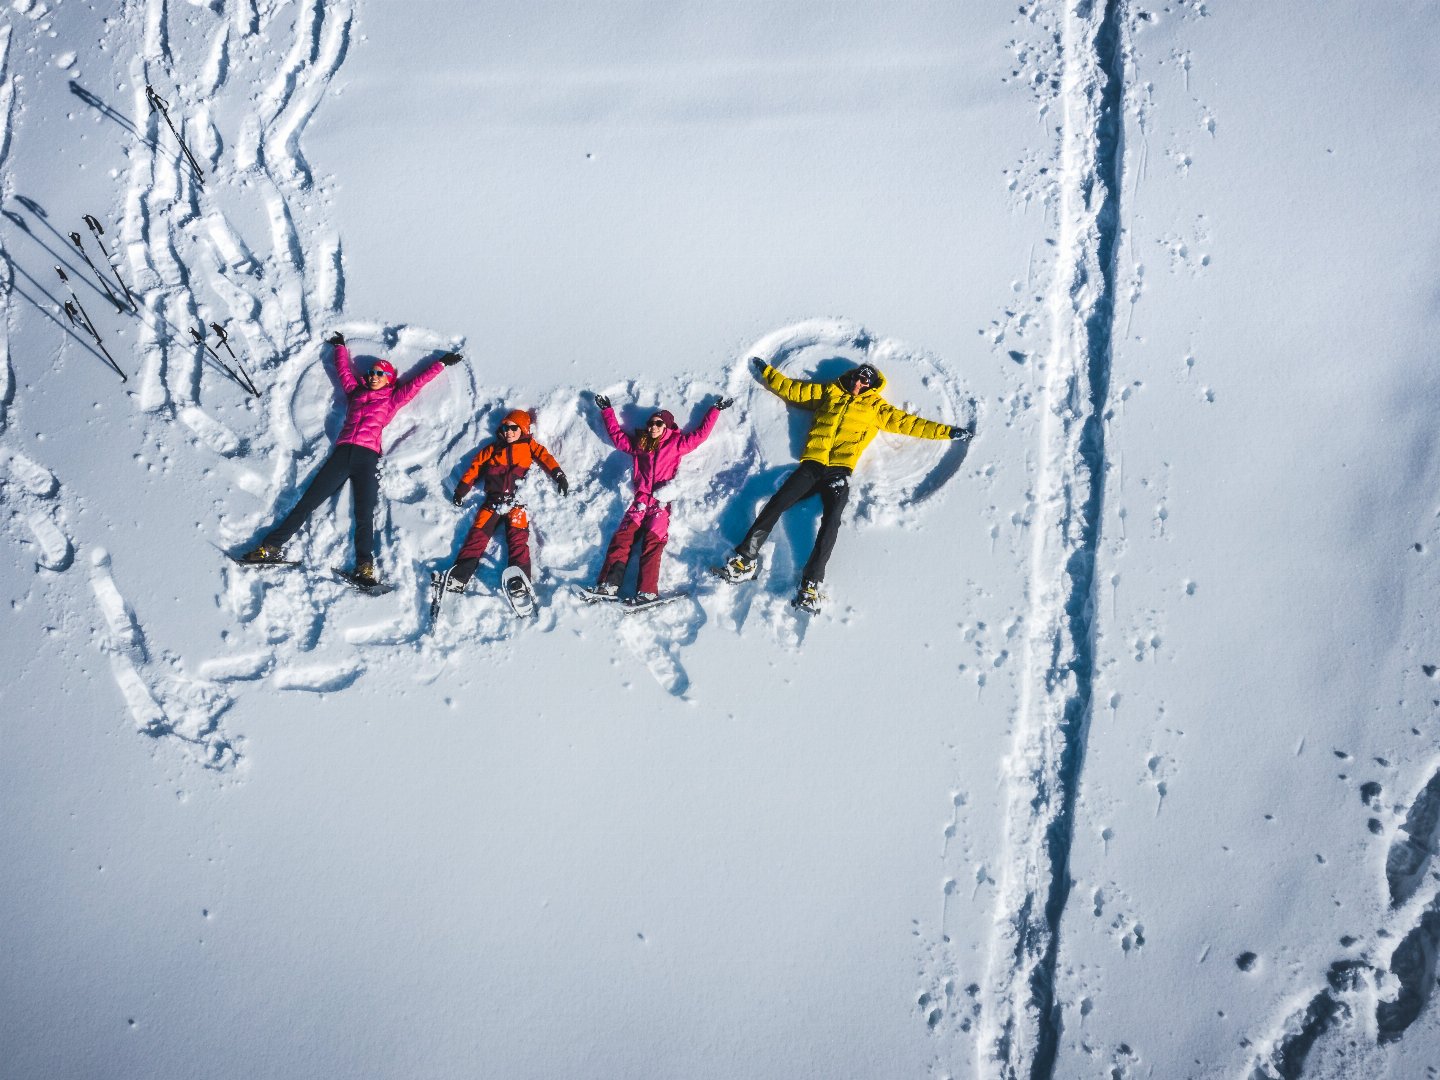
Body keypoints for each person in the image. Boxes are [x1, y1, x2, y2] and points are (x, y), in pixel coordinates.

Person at [714, 357, 971, 611]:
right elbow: (794, 389)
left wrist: (948, 432)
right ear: (853, 376)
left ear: (873, 386)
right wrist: (768, 373)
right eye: (859, 377)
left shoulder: (876, 408)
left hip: (839, 472)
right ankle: (745, 560)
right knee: (778, 502)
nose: (860, 383)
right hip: (813, 465)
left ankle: (811, 585)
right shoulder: (830, 391)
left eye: (866, 382)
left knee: (831, 521)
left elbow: (910, 424)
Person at [242, 333, 462, 585]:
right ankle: (270, 547)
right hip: (343, 453)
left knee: (364, 514)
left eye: (379, 373)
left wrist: (441, 363)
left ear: (389, 379)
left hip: (367, 459)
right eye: (371, 372)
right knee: (307, 502)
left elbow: (415, 385)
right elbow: (344, 372)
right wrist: (340, 347)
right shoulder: (356, 392)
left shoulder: (391, 399)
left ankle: (364, 568)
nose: (372, 376)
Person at [585, 393, 730, 604]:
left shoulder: (677, 444)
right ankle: (609, 584)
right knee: (622, 538)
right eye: (651, 423)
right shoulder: (642, 444)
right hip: (641, 501)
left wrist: (715, 410)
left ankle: (647, 592)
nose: (653, 427)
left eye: (658, 423)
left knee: (652, 544)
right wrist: (607, 411)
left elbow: (700, 435)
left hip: (661, 503)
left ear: (667, 427)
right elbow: (618, 438)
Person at [442, 409, 568, 596]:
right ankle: (458, 578)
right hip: (492, 502)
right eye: (505, 428)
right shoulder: (493, 449)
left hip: (516, 503)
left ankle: (520, 581)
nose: (508, 432)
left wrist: (559, 476)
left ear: (523, 429)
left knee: (518, 541)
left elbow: (546, 458)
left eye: (513, 428)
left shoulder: (530, 446)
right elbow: (475, 468)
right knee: (476, 537)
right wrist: (462, 490)